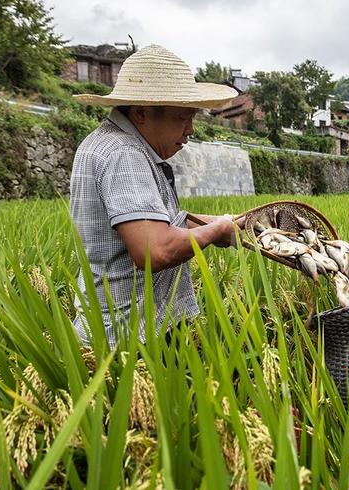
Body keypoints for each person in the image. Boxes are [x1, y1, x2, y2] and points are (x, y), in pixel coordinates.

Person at [70, 44, 241, 347]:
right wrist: (217, 230)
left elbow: (156, 226)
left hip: (126, 328)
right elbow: (155, 249)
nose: (190, 130)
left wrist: (229, 223)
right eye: (182, 118)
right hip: (128, 339)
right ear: (141, 113)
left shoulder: (111, 145)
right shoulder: (124, 154)